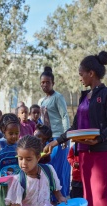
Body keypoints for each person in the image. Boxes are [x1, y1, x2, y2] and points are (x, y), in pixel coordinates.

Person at [43, 51, 107, 206]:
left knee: (100, 194)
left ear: (91, 74)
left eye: (81, 74)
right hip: (83, 152)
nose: (80, 78)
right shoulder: (84, 98)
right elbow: (75, 127)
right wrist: (56, 142)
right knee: (88, 195)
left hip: (101, 151)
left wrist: (98, 139)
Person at [5, 135, 66, 206]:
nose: (23, 163)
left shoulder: (48, 170)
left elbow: (56, 190)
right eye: (20, 158)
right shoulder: (18, 181)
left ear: (38, 157)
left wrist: (61, 198)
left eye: (28, 159)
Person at [39, 66, 70, 199]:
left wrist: (66, 137)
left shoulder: (58, 97)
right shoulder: (41, 101)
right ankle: (49, 197)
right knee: (48, 167)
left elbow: (64, 116)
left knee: (58, 167)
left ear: (53, 83)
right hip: (47, 138)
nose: (45, 85)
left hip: (59, 137)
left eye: (48, 82)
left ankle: (60, 197)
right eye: (42, 82)